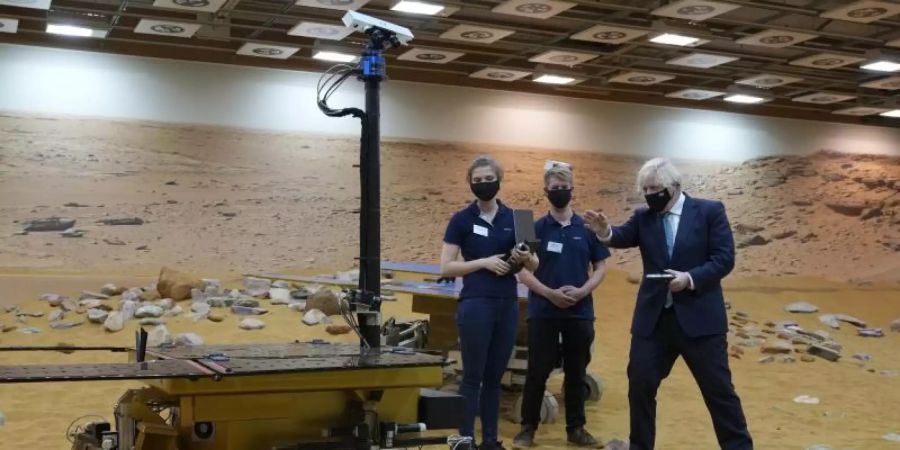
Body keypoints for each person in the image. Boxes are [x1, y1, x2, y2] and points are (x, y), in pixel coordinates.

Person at [584, 157, 753, 450]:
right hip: (655, 322)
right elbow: (622, 237)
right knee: (640, 383)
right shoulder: (643, 216)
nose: (650, 193)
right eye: (645, 189)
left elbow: (724, 259)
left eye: (655, 188)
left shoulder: (709, 211)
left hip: (700, 321)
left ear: (674, 186)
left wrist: (689, 278)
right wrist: (605, 233)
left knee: (719, 392)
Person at [441, 155, 539, 450]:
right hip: (475, 303)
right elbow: (446, 267)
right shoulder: (461, 219)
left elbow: (533, 265)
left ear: (499, 180)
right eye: (478, 180)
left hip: (506, 304)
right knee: (472, 377)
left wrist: (525, 258)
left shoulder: (519, 218)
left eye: (489, 178)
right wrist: (482, 262)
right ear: (470, 183)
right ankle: (465, 440)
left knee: (495, 378)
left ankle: (491, 441)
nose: (484, 184)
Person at [513, 163, 609, 449]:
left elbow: (601, 267)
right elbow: (522, 270)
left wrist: (582, 291)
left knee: (577, 372)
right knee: (537, 371)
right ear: (546, 192)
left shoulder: (587, 228)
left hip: (580, 312)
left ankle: (576, 429)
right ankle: (527, 429)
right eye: (554, 188)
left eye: (563, 188)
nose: (559, 192)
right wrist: (548, 293)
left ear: (572, 190)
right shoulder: (533, 227)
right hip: (543, 312)